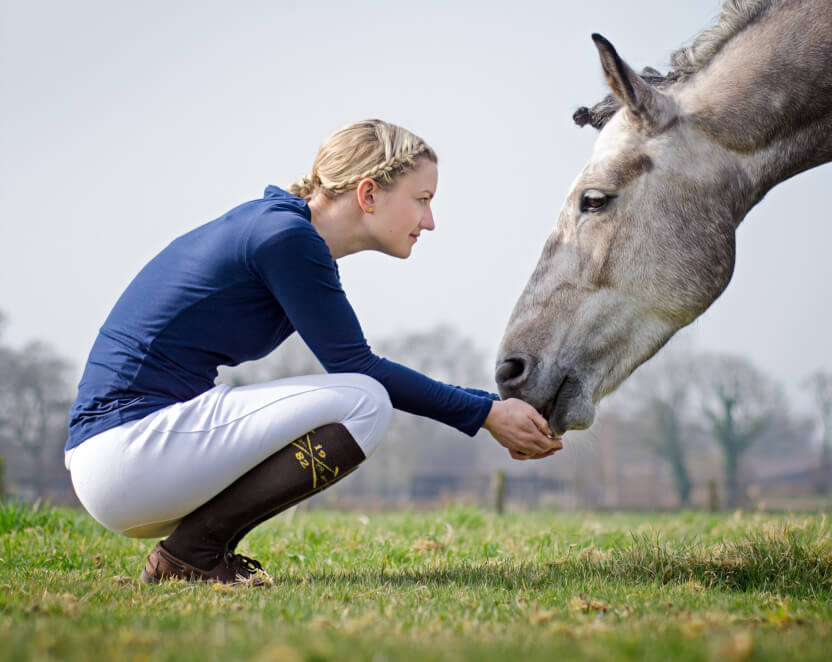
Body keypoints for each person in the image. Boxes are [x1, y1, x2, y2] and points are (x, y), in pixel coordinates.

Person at [64, 119, 562, 586]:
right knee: (363, 399)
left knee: (358, 394)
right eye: (422, 200)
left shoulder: (281, 229)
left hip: (133, 459)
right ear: (368, 193)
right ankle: (191, 555)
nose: (429, 221)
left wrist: (487, 410)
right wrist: (487, 412)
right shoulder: (285, 237)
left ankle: (201, 553)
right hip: (129, 454)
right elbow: (356, 367)